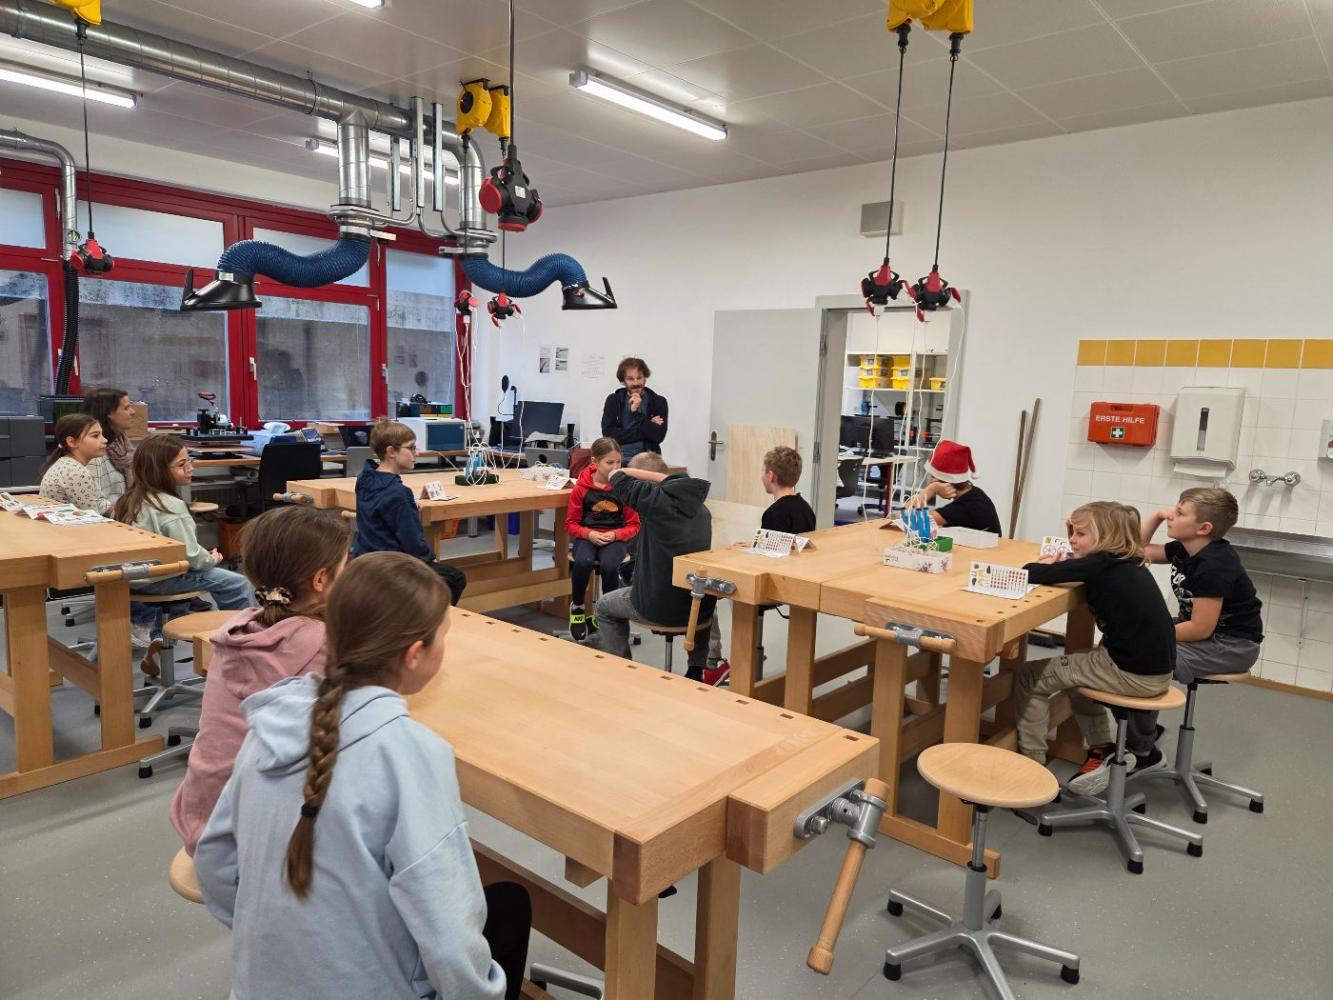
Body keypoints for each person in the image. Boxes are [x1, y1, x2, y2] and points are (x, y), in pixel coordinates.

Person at [194, 552, 531, 1000]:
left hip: (257, 986)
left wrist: (286, 951)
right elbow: (448, 931)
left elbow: (214, 861)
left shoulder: (268, 723)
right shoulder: (412, 754)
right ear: (414, 655)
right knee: (509, 906)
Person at [171, 505, 350, 856]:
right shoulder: (323, 647)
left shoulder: (238, 630)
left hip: (202, 820)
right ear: (320, 579)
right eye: (346, 566)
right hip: (253, 842)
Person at [1012, 501, 1175, 795]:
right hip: (1156, 671)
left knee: (1028, 676)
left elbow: (1031, 572)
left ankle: (1032, 765)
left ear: (1106, 537)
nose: (1072, 540)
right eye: (1072, 533)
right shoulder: (1128, 560)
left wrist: (1047, 565)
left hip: (1129, 673)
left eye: (1081, 534)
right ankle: (1102, 748)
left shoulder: (1099, 564)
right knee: (1076, 668)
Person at [1127, 488, 1264, 769]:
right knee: (1124, 636)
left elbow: (1200, 629)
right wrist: (1156, 516)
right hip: (1207, 635)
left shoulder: (1214, 563)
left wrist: (1149, 637)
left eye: (1179, 513)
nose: (1171, 516)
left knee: (1144, 657)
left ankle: (1142, 751)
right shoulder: (1185, 549)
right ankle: (1144, 729)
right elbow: (1135, 553)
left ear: (1204, 528)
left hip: (1231, 645)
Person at [113, 435, 255, 646]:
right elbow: (192, 557)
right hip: (159, 579)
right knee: (237, 583)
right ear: (159, 471)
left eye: (189, 461)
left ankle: (161, 637)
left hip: (133, 577)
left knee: (187, 577)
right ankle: (243, 639)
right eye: (182, 464)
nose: (190, 467)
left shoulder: (129, 499)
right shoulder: (171, 506)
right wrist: (211, 559)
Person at [594, 452, 721, 681]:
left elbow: (619, 479)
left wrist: (624, 472)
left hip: (658, 605)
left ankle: (621, 671)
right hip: (695, 608)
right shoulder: (701, 509)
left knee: (604, 607)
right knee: (700, 598)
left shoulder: (656, 508)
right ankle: (697, 668)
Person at [351, 418, 466, 604]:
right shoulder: (398, 493)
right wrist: (430, 561)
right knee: (454, 578)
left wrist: (410, 504)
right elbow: (412, 543)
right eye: (411, 448)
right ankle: (419, 618)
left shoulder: (365, 479)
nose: (416, 453)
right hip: (390, 567)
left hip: (365, 559)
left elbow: (382, 507)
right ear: (391, 452)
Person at [567, 437, 640, 642]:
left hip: (614, 539)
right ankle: (577, 607)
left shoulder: (624, 488)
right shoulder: (581, 488)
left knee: (609, 566)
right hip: (587, 536)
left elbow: (634, 525)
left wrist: (616, 535)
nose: (616, 467)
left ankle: (607, 612)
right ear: (594, 462)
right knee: (583, 562)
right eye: (609, 463)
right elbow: (570, 524)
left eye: (618, 462)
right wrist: (588, 534)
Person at [908, 439, 1002, 534]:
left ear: (945, 480)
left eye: (933, 477)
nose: (931, 481)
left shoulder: (964, 507)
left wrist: (931, 490)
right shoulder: (975, 494)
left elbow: (906, 521)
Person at [39, 413, 112, 514]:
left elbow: (100, 504)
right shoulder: (75, 472)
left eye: (102, 434)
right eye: (95, 436)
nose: (105, 440)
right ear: (72, 442)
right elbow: (92, 517)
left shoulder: (70, 465)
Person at [600, 357, 667, 461]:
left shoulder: (658, 401)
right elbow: (608, 435)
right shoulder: (613, 400)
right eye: (630, 379)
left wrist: (636, 413)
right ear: (623, 381)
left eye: (639, 378)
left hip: (648, 461)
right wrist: (647, 427)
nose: (636, 383)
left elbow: (658, 436)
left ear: (645, 378)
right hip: (618, 461)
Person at [82, 386, 137, 500]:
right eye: (126, 408)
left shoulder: (122, 443)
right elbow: (97, 502)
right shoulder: (94, 455)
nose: (133, 412)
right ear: (108, 413)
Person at [760, 446, 816, 534]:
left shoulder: (773, 514)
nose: (762, 476)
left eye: (763, 471)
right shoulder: (806, 509)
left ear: (771, 476)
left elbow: (770, 543)